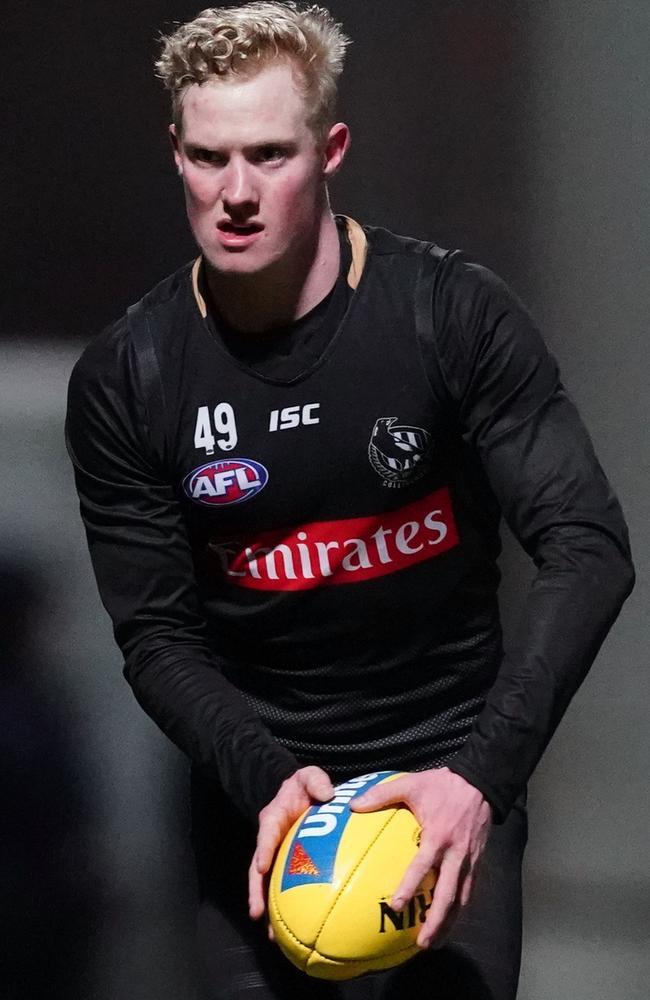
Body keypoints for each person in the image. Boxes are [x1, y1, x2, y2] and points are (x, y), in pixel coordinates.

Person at [65, 3, 634, 998]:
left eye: (268, 155)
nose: (235, 192)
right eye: (208, 158)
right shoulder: (133, 373)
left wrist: (480, 779)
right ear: (175, 154)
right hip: (259, 790)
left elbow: (587, 545)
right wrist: (262, 780)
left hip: (445, 774)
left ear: (329, 149)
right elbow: (154, 631)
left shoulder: (446, 315)